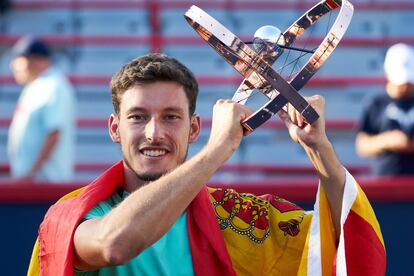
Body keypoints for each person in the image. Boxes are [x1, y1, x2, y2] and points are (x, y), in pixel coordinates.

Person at [28, 54, 385, 275]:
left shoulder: (234, 216)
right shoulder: (73, 215)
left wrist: (319, 147)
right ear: (114, 128)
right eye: (137, 117)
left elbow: (338, 240)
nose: (154, 133)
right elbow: (114, 245)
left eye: (171, 117)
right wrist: (217, 150)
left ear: (194, 127)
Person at [7, 35, 76, 182]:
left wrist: (31, 173)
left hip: (46, 183)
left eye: (18, 60)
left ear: (37, 60)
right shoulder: (36, 86)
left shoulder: (54, 86)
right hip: (32, 181)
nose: (13, 66)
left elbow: (54, 133)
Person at [356, 43, 414, 175]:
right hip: (385, 184)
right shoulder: (376, 103)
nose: (405, 87)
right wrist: (387, 140)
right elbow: (362, 145)